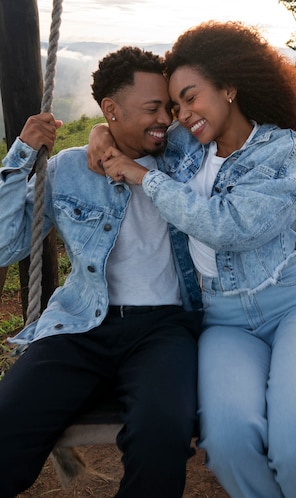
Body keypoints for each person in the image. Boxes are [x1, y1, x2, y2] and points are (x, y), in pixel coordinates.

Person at [88, 21, 296, 498]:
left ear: (229, 87)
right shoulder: (185, 147)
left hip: (290, 305)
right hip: (222, 319)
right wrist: (97, 135)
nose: (182, 115)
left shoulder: (282, 148)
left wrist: (145, 179)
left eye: (191, 97)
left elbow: (234, 227)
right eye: (175, 105)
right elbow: (130, 132)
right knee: (227, 445)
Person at [0, 46, 203, 498]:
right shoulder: (69, 169)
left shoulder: (187, 161)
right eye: (153, 109)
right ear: (110, 109)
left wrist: (102, 132)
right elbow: (4, 244)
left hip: (166, 326)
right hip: (81, 322)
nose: (166, 119)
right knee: (8, 423)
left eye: (168, 108)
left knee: (163, 433)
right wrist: (22, 153)